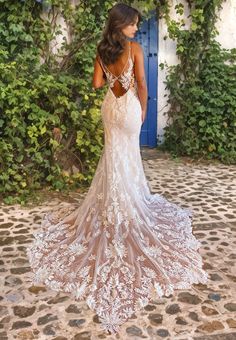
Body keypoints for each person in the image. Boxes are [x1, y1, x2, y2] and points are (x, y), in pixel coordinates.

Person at [26, 3, 208, 335]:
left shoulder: (102, 49)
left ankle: (115, 205)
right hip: (128, 112)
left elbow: (98, 84)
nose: (137, 29)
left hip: (110, 108)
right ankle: (128, 206)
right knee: (127, 158)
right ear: (122, 24)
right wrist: (142, 110)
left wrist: (111, 73)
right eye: (133, 24)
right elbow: (140, 81)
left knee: (113, 158)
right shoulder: (135, 49)